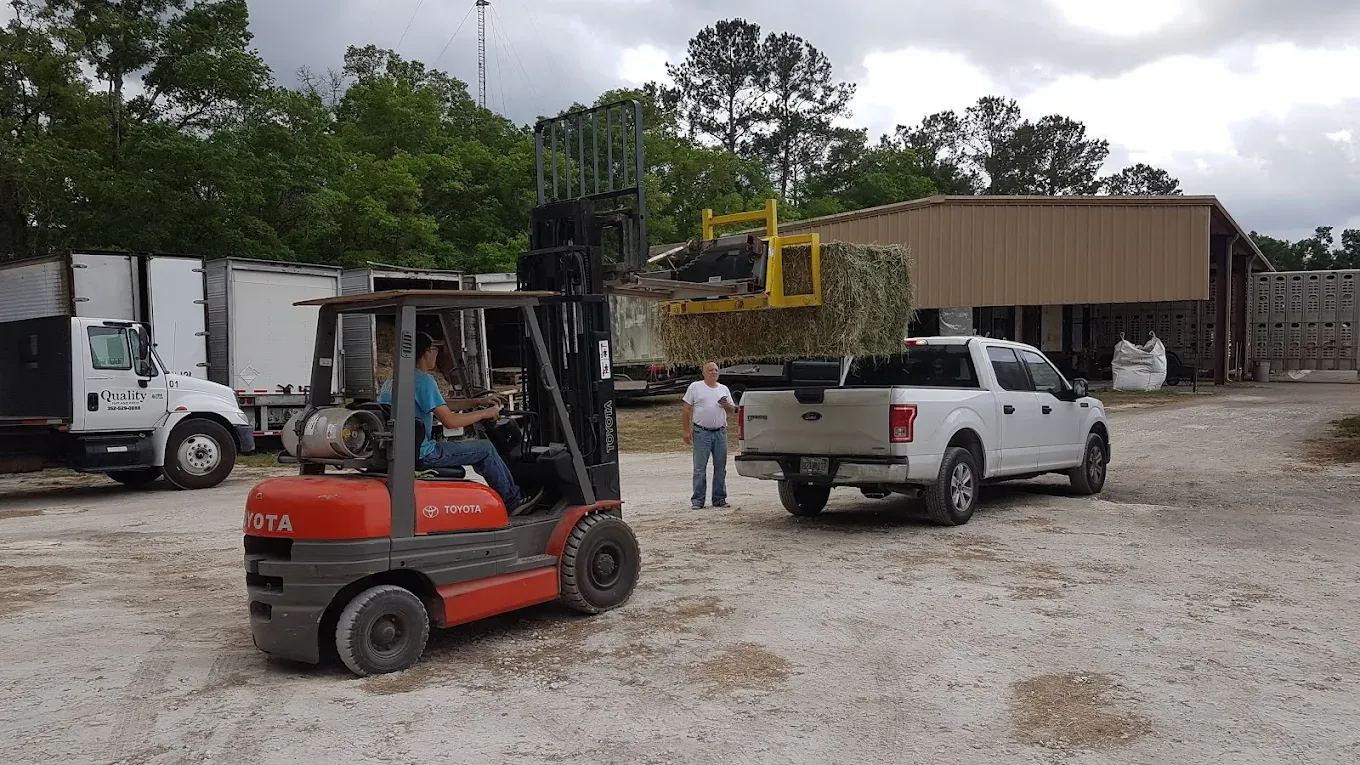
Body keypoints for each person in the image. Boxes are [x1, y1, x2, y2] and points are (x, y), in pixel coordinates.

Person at [377, 332, 540, 515]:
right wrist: (485, 413)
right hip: (424, 453)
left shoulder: (394, 381)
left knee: (479, 450)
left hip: (405, 452)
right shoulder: (423, 381)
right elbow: (451, 421)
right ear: (426, 352)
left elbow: (441, 405)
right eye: (435, 350)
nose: (436, 355)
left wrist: (478, 402)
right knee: (485, 449)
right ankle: (512, 501)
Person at [682, 362, 738, 509]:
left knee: (720, 467)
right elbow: (686, 409)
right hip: (702, 432)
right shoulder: (695, 387)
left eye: (716, 370)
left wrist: (726, 405)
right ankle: (698, 500)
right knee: (700, 468)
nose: (713, 372)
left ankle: (719, 498)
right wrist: (686, 430)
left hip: (720, 432)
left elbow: (732, 410)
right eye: (710, 370)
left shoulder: (723, 389)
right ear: (704, 372)